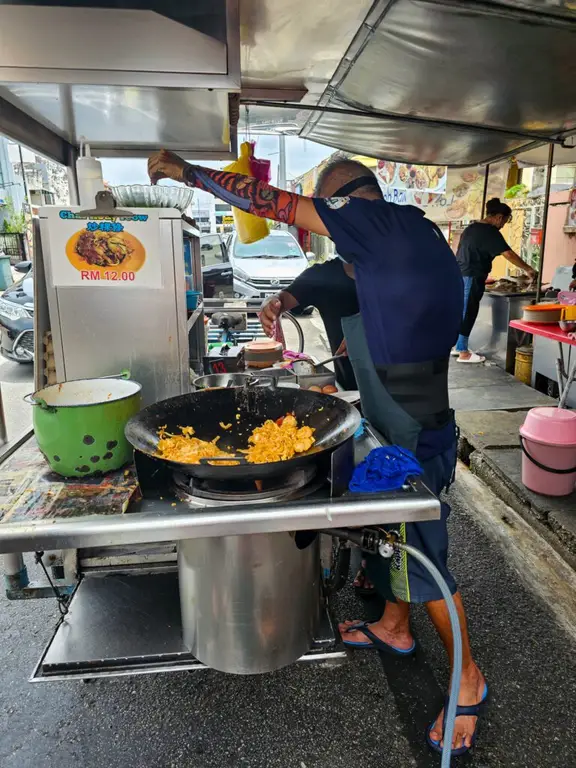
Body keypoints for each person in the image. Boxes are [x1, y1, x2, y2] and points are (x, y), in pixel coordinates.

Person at [148, 150, 486, 756]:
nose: (313, 231)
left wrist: (189, 173)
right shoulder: (410, 234)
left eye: (321, 215)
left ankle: (470, 681)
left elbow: (266, 200)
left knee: (424, 554)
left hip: (413, 427)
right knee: (390, 532)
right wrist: (283, 302)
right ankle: (394, 626)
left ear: (351, 200)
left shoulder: (378, 222)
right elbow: (334, 283)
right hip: (411, 415)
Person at [455, 197, 537, 363]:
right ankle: (463, 352)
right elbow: (508, 254)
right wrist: (529, 269)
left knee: (462, 310)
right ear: (499, 217)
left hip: (461, 273)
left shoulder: (472, 228)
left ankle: (458, 345)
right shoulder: (490, 232)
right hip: (471, 274)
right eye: (505, 221)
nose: (503, 225)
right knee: (467, 311)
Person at [261, 256, 358, 390]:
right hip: (351, 392)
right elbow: (283, 299)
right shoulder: (323, 276)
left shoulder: (395, 274)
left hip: (395, 390)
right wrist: (270, 304)